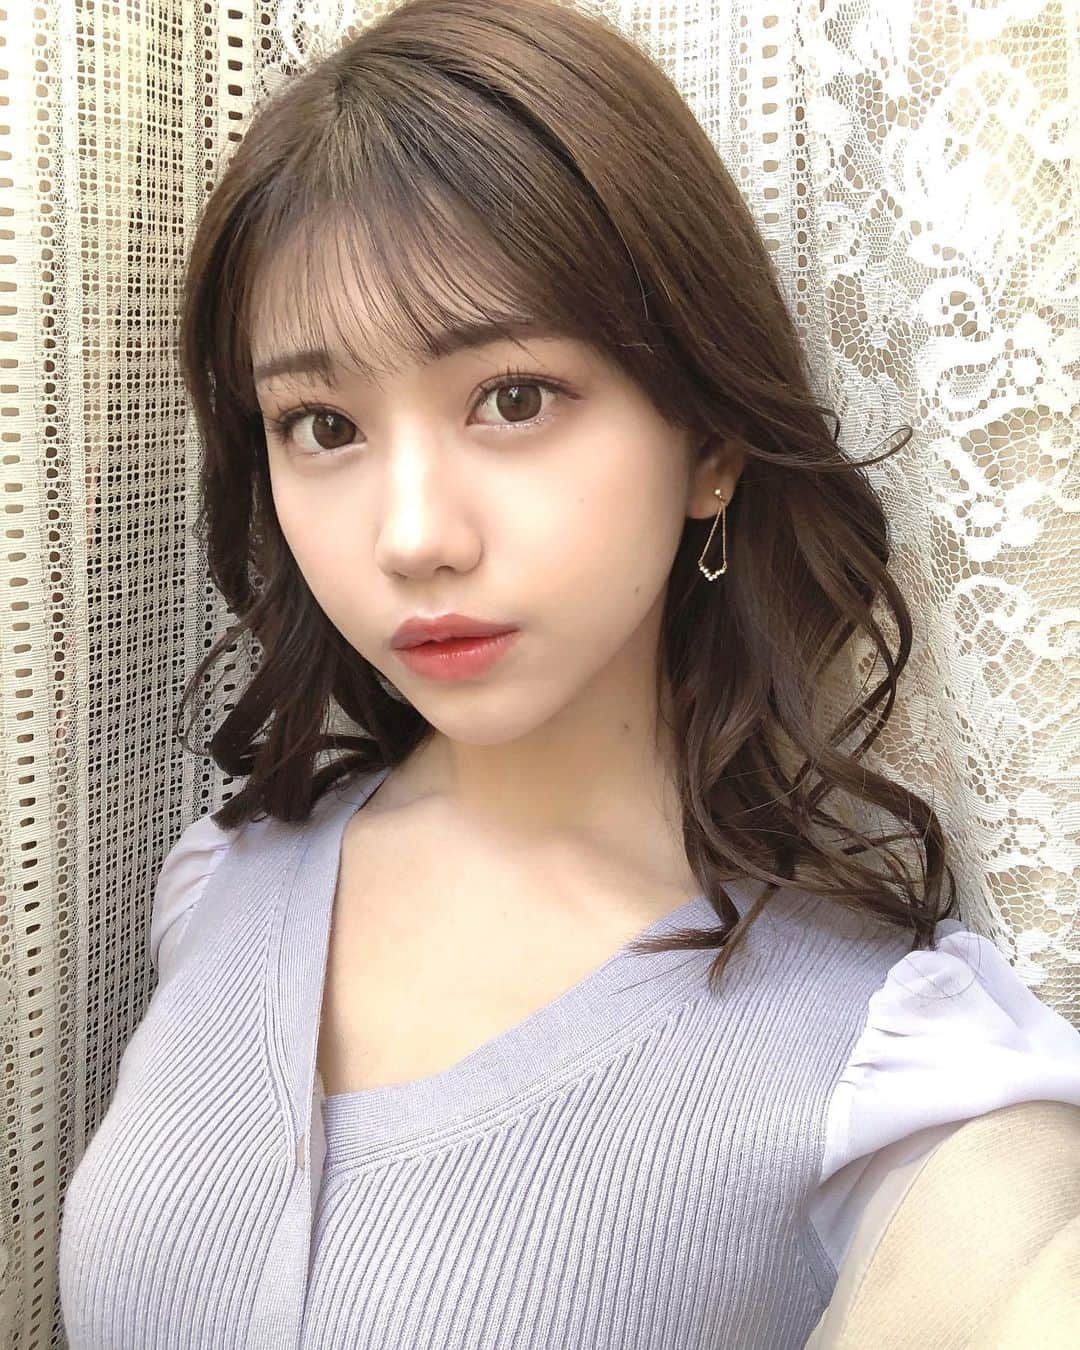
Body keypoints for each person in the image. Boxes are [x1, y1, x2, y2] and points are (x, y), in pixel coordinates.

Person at [58, 1, 1080, 1346]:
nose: (414, 536)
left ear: (710, 443)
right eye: (323, 425)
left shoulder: (888, 1073)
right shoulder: (223, 881)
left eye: (515, 398)